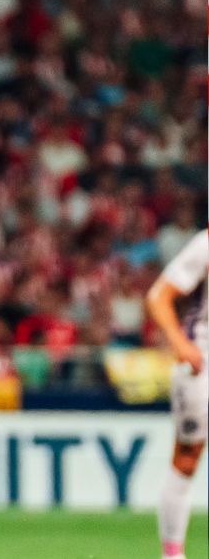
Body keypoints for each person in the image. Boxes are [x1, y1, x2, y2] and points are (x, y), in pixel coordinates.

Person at [146, 229, 207, 559]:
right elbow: (158, 296)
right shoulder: (205, 245)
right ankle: (172, 554)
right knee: (187, 455)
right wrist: (179, 343)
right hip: (201, 362)